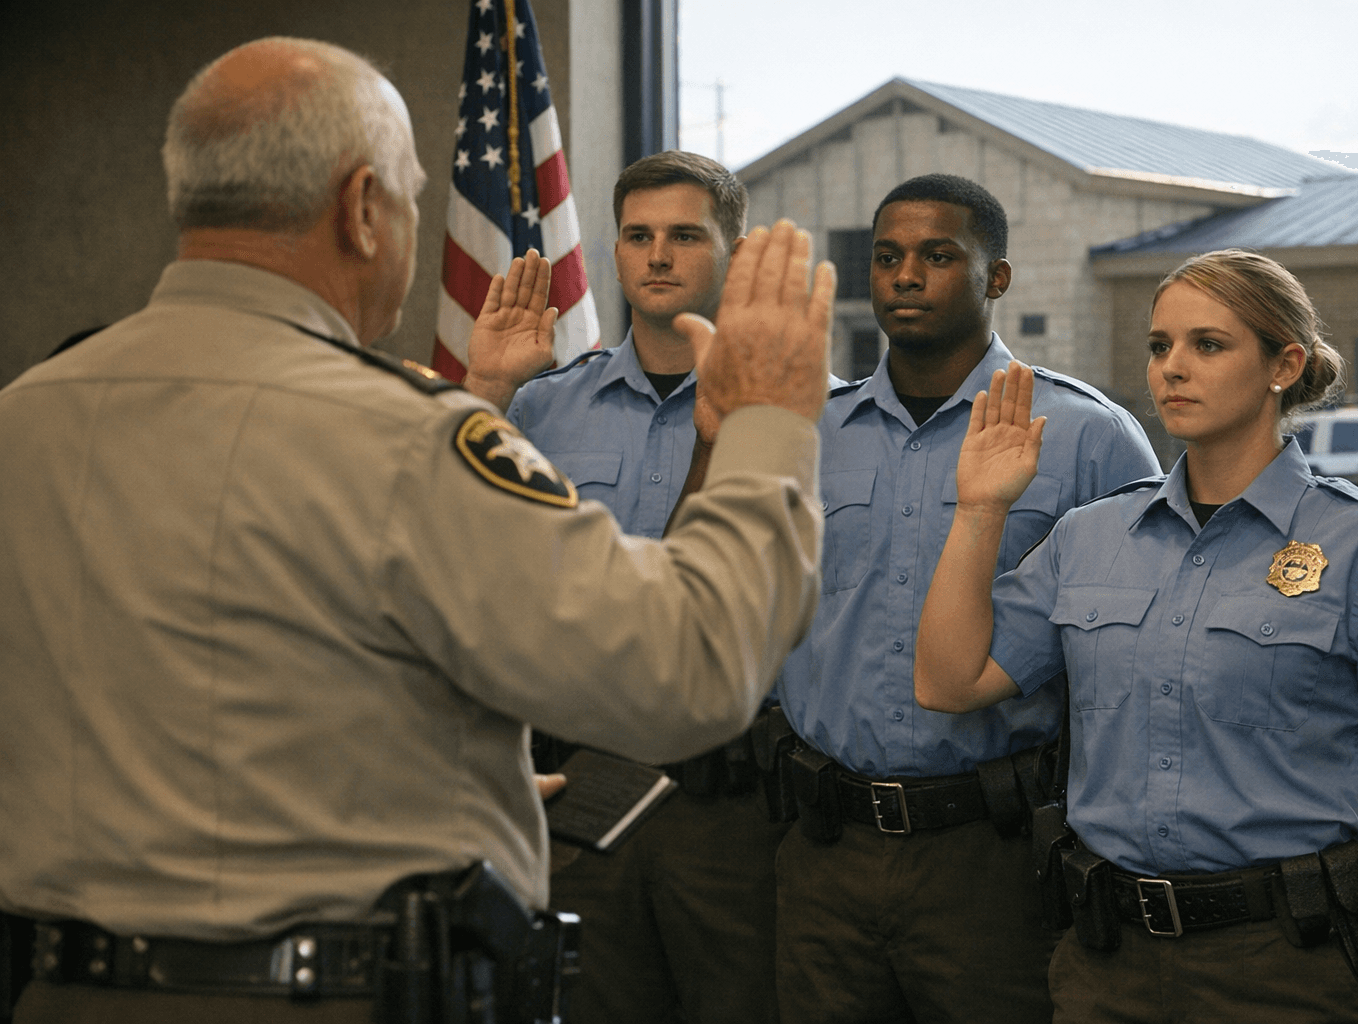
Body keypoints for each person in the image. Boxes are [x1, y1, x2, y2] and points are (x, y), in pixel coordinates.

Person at [0, 37, 835, 1023]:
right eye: (408, 196)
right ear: (362, 209)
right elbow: (696, 665)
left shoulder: (26, 415)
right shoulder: (404, 438)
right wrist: (772, 418)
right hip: (337, 993)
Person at [914, 248, 1358, 1024]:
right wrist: (980, 511)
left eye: (1207, 345)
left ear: (1284, 364)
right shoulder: (1092, 537)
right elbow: (948, 683)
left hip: (1288, 962)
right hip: (1106, 962)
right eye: (1159, 346)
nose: (1171, 368)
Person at [768, 174, 1161, 1023]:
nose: (905, 275)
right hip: (824, 847)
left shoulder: (1088, 436)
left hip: (995, 852)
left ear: (997, 278)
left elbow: (1137, 653)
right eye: (887, 257)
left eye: (938, 255)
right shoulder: (805, 430)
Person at [464, 151, 789, 1024]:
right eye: (638, 236)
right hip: (579, 782)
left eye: (686, 236)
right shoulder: (542, 408)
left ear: (738, 251)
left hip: (731, 800)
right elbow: (457, 549)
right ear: (612, 252)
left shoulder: (802, 412)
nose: (657, 256)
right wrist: (489, 387)